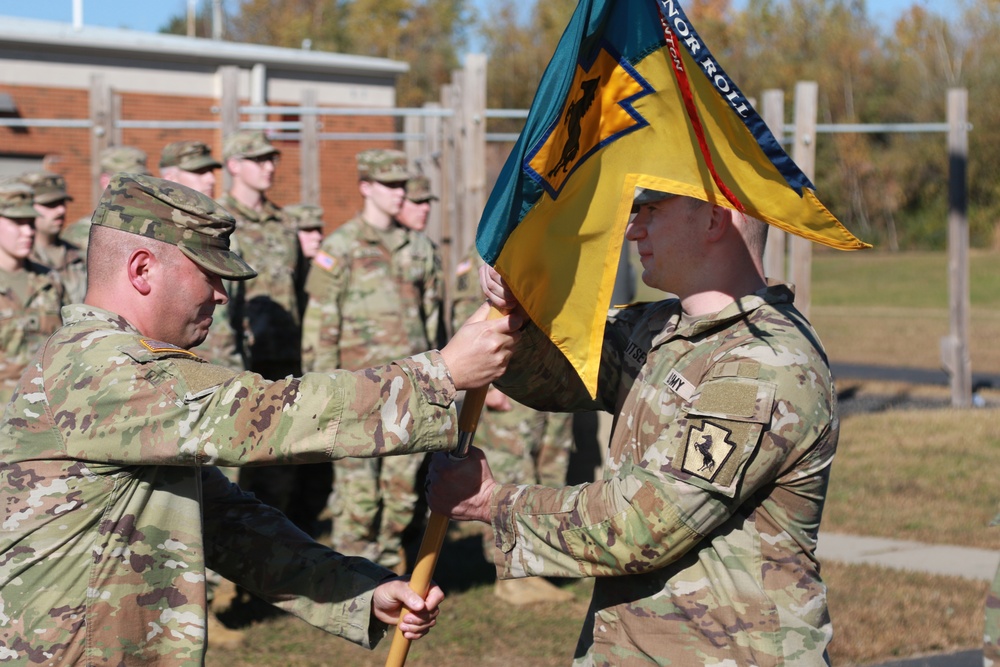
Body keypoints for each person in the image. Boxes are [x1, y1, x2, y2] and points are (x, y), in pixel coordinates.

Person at [0, 174, 523, 665]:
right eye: (209, 274)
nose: (222, 294)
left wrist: (356, 589)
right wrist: (440, 374)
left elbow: (226, 523)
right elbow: (269, 415)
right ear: (141, 270)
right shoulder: (95, 368)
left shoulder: (123, 372)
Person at [427, 189, 840, 665]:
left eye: (653, 210)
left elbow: (640, 524)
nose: (632, 228)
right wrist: (519, 309)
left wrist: (491, 503)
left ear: (713, 219)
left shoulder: (763, 364)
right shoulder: (657, 326)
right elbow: (553, 379)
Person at [302, 149, 443, 574]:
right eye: (390, 185)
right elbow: (319, 326)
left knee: (401, 495)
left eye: (404, 184)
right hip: (356, 392)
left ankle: (387, 573)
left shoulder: (418, 246)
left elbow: (433, 319)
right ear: (366, 187)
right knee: (359, 496)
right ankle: (351, 580)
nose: (400, 193)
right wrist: (320, 391)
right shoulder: (339, 247)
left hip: (410, 391)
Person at [451, 246, 575, 605]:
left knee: (549, 473)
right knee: (510, 475)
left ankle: (538, 564)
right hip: (508, 383)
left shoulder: (557, 249)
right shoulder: (487, 260)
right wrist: (484, 387)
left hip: (551, 380)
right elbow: (469, 324)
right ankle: (510, 573)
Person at [221, 130, 304, 515]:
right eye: (257, 160)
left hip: (283, 362)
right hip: (238, 362)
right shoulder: (218, 220)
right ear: (234, 165)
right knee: (228, 473)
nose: (268, 167)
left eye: (272, 159)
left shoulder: (284, 224)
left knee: (277, 469)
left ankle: (269, 569)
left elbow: (300, 288)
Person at [0, 180, 65, 403]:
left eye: (31, 223)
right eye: (18, 222)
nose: (28, 231)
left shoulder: (49, 279)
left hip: (43, 413)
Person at [60, 145, 151, 252]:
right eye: (129, 182)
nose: (138, 187)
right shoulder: (79, 235)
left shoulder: (154, 229)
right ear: (105, 182)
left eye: (142, 181)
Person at [16, 171, 87, 305]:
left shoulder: (80, 258)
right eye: (50, 203)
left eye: (62, 202)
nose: (61, 210)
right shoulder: (18, 261)